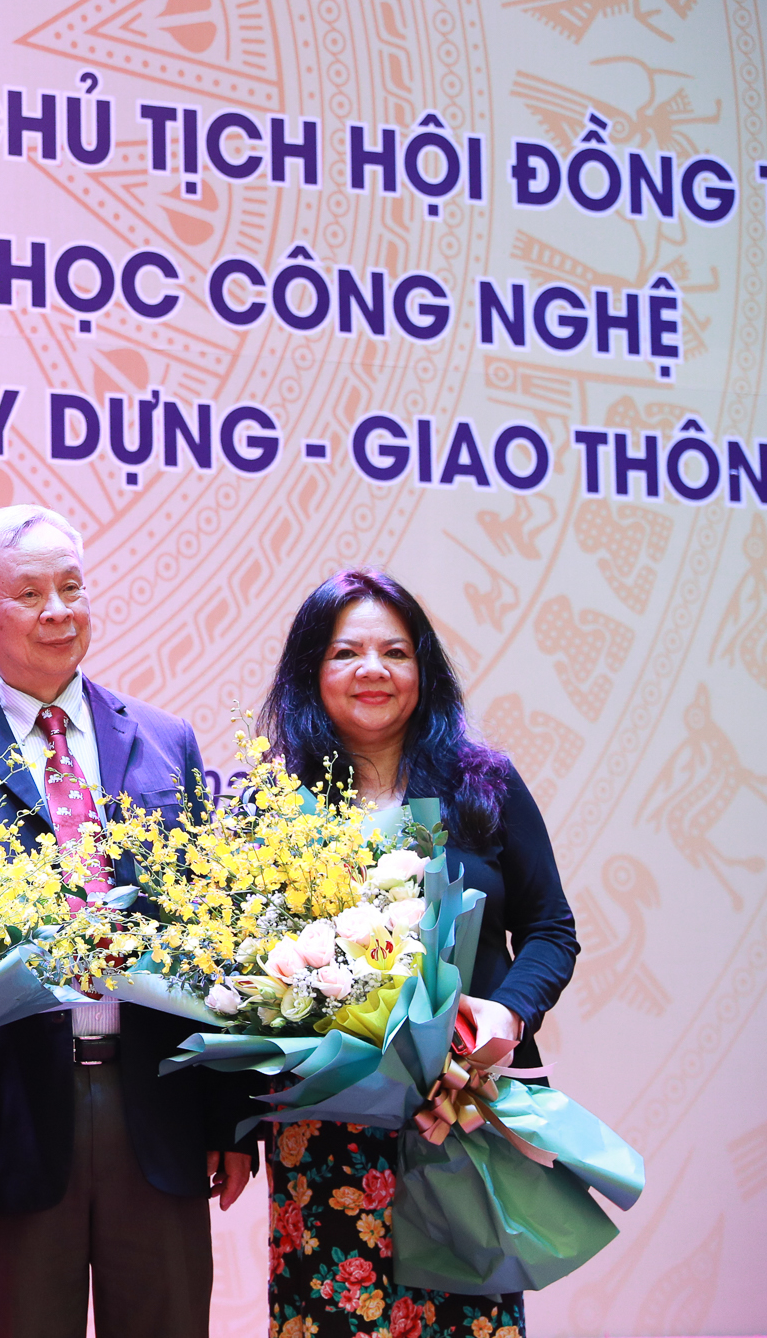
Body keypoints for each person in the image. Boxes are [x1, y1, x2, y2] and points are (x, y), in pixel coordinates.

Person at [0, 504, 257, 1338]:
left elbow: (214, 939)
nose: (58, 610)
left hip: (155, 1108)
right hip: (1, 1125)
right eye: (30, 593)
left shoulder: (166, 741)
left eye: (72, 588)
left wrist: (230, 1112)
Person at [257, 569, 578, 1338]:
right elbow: (246, 964)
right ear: (311, 671)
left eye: (395, 652)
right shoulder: (278, 805)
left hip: (463, 1111)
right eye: (347, 652)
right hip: (329, 1133)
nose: (373, 669)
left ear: (423, 668)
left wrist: (507, 1012)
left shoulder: (482, 782)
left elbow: (550, 927)